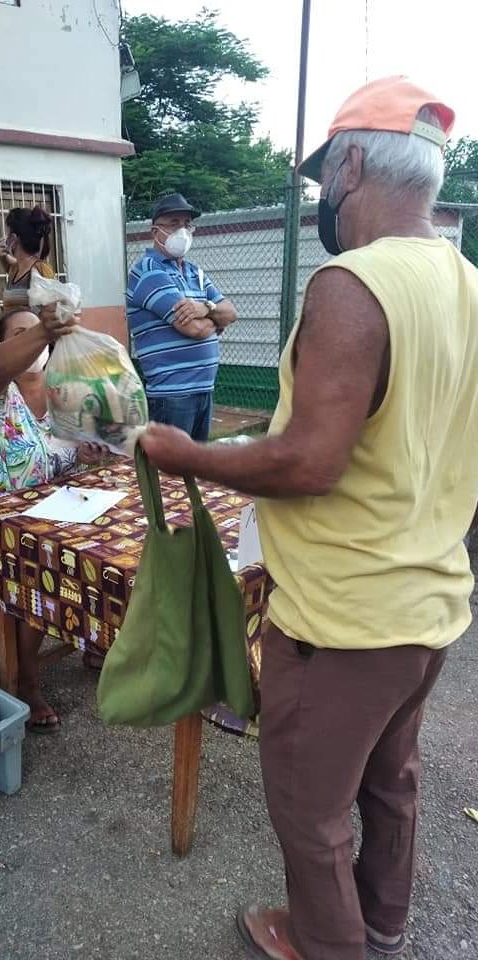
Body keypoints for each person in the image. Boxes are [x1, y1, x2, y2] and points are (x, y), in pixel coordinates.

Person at [138, 77, 478, 960]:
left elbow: (309, 463)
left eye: (323, 177)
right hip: (430, 604)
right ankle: (381, 922)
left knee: (306, 805)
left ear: (353, 162)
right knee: (389, 784)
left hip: (342, 619)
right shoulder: (463, 280)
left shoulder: (351, 283)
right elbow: (402, 427)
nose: (322, 197)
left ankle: (326, 946)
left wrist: (187, 455)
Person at [0, 307, 106, 730]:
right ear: (3, 344)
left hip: (49, 511)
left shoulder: (61, 394)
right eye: (21, 334)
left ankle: (92, 634)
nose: (36, 343)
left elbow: (58, 460)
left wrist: (83, 454)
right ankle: (26, 680)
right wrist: (45, 327)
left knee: (103, 544)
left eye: (41, 335)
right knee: (42, 560)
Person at [126, 192, 238, 441]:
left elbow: (231, 312)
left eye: (187, 224)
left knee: (194, 472)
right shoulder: (148, 271)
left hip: (203, 390)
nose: (183, 230)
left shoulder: (194, 272)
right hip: (172, 396)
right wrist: (215, 319)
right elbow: (193, 329)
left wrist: (205, 309)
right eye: (174, 223)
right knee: (170, 477)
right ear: (156, 232)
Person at [0, 205, 56, 317]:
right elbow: (10, 264)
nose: (5, 238)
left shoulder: (40, 269)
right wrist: (2, 255)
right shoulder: (15, 270)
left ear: (13, 238)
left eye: (7, 234)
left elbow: (51, 314)